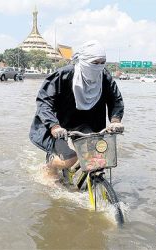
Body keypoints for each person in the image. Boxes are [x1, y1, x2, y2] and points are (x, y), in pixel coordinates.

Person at [29, 40, 124, 181]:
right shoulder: (63, 75)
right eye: (94, 63)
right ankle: (51, 166)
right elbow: (44, 101)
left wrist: (115, 121)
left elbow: (116, 100)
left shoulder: (104, 77)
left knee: (97, 157)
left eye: (102, 63)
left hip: (87, 124)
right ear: (83, 61)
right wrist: (54, 126)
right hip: (58, 125)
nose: (98, 67)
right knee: (70, 159)